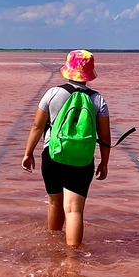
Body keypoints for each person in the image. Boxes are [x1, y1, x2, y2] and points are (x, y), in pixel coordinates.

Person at [22, 50, 110, 247]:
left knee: (54, 202)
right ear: (90, 74)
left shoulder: (52, 93)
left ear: (68, 70)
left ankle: (53, 249)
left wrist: (28, 154)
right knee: (74, 210)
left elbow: (37, 126)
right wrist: (104, 163)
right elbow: (104, 137)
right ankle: (72, 261)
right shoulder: (98, 100)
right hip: (82, 159)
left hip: (52, 156)